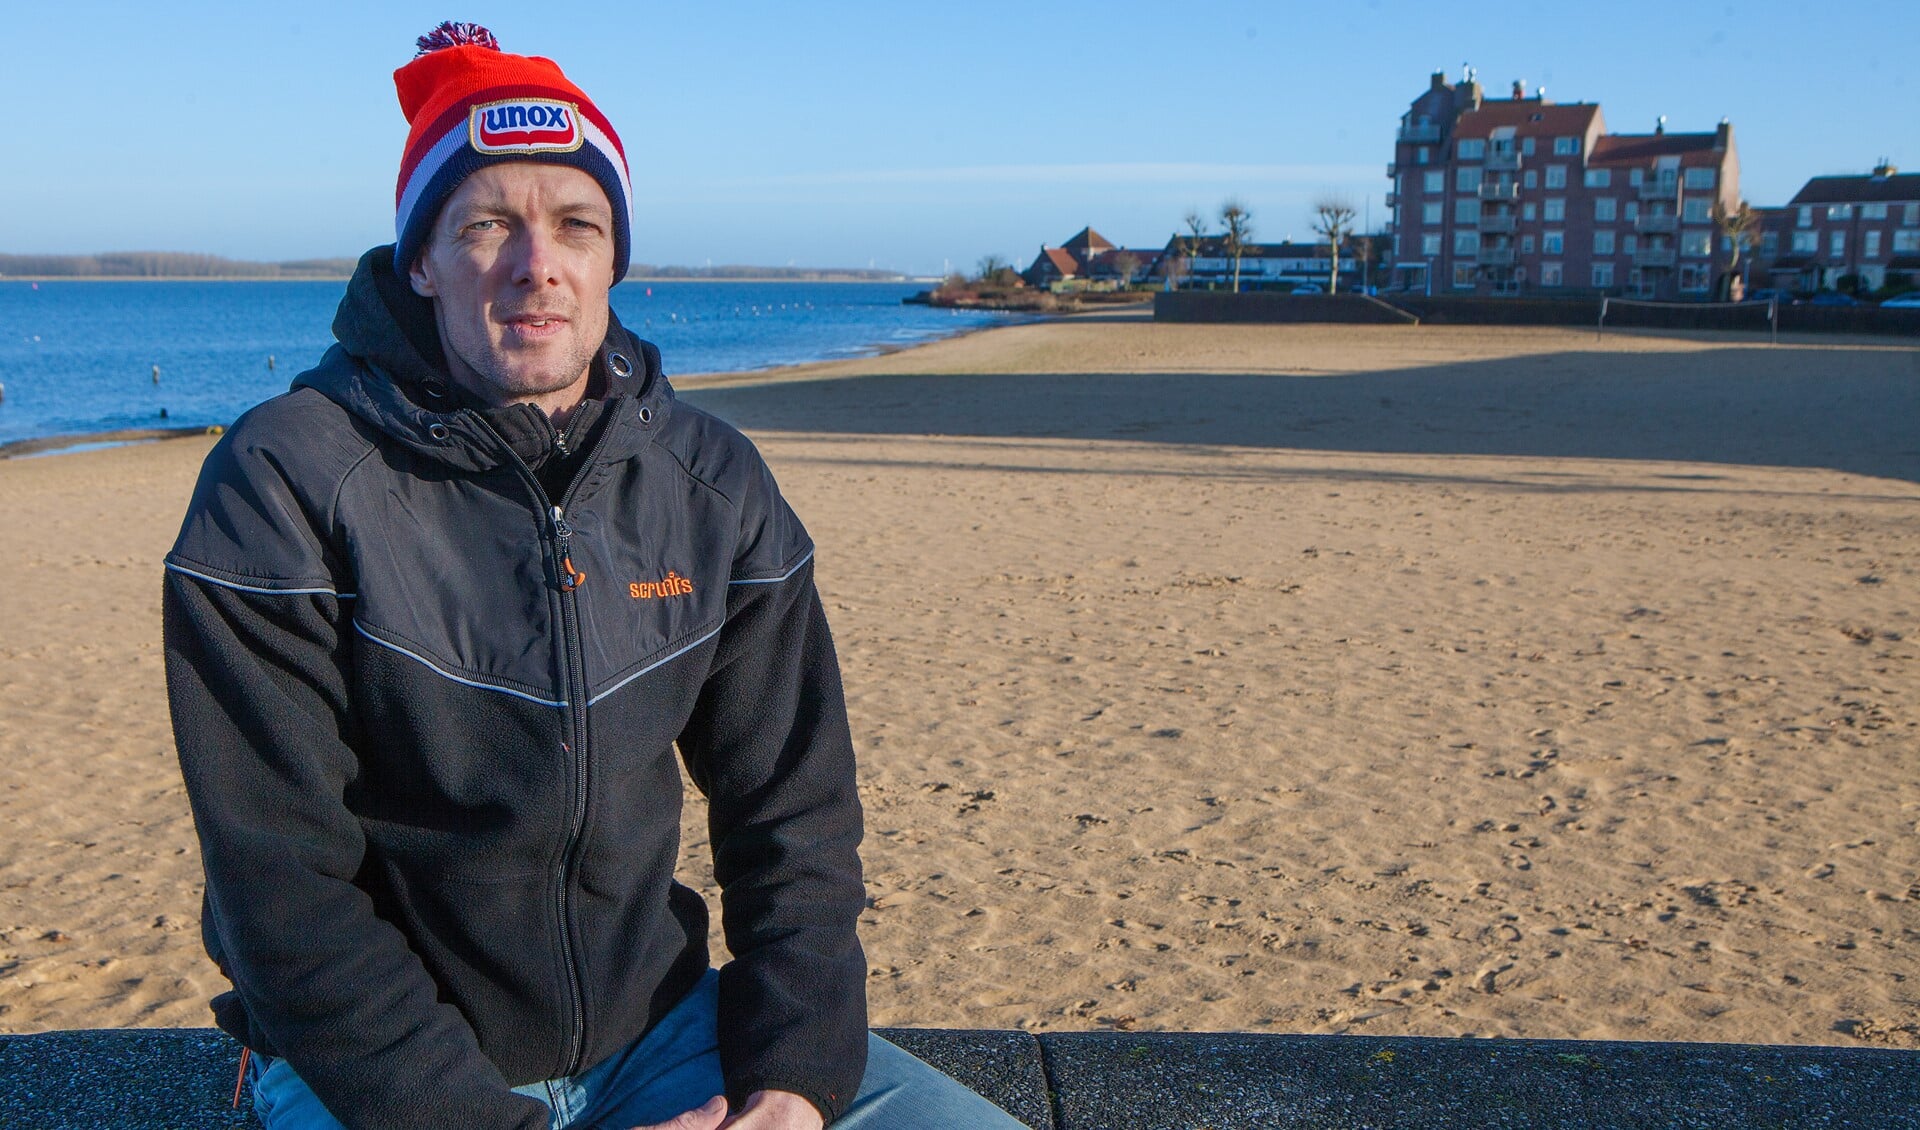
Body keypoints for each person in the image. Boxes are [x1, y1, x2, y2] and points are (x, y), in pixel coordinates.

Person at [164, 22, 1022, 1130]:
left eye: (578, 223)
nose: (538, 264)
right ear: (419, 261)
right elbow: (284, 889)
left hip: (660, 1034)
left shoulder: (709, 482)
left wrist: (792, 1083)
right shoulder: (283, 483)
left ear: (616, 256)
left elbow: (796, 817)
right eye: (486, 224)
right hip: (381, 1074)